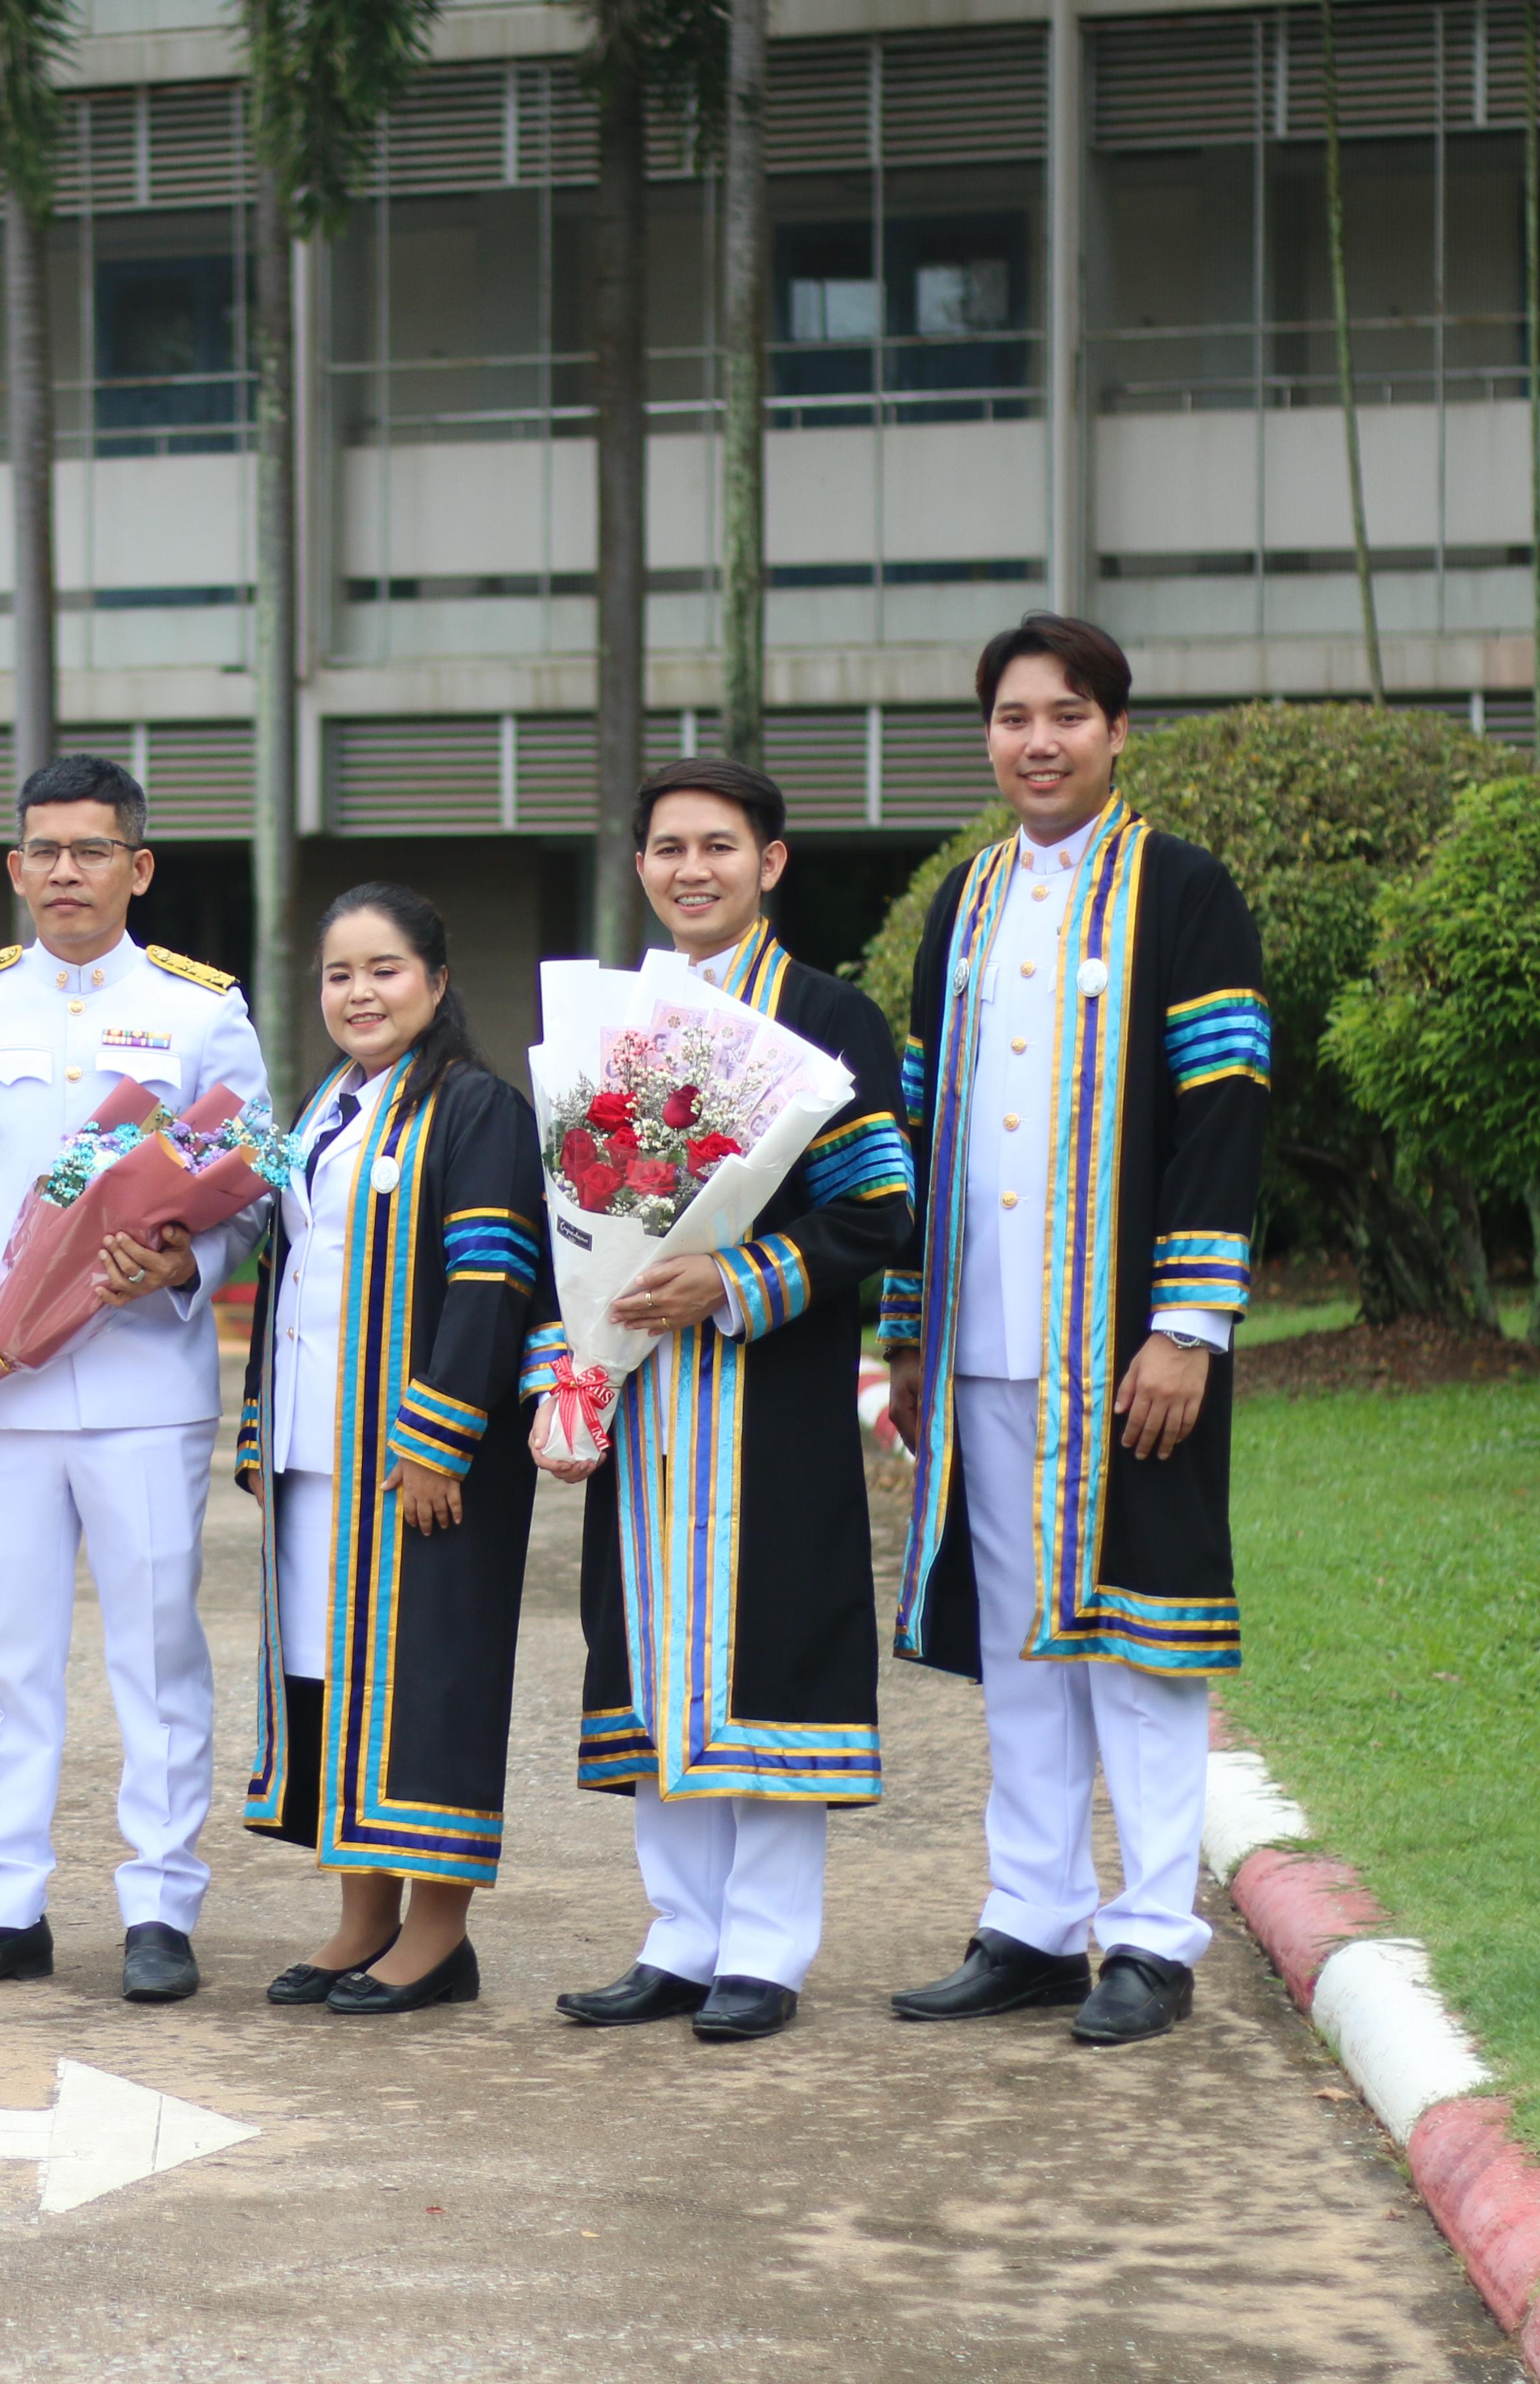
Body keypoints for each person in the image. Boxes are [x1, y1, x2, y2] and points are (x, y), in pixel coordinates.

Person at [881, 614, 1270, 2047]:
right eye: (1011, 718)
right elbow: (921, 1123)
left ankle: (1153, 1940)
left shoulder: (1183, 890)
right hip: (985, 1339)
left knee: (1138, 1645)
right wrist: (913, 1335)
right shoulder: (966, 900)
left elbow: (1227, 1112)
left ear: (1115, 731)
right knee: (1023, 1650)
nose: (1037, 742)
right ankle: (1035, 1921)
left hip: (1125, 1343)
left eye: (1066, 715)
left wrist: (1188, 1324)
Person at [0, 753, 271, 2007]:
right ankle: (4, 1903)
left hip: (144, 1376)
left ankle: (159, 1901)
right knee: (9, 1650)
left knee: (156, 1646)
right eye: (42, 850)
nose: (63, 872)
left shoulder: (202, 1008)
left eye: (90, 849)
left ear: (137, 868)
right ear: (14, 866)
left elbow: (251, 1191)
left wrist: (177, 1265)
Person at [540, 759, 913, 2044]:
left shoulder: (831, 1019)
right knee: (651, 1650)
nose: (691, 869)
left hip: (772, 1390)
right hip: (646, 1398)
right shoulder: (616, 1023)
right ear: (639, 865)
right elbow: (571, 1210)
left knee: (774, 1653)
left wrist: (734, 1274)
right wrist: (573, 1363)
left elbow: (877, 1212)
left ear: (772, 862)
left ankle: (766, 1950)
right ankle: (678, 1935)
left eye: (718, 845)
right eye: (666, 849)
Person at [235, 884, 555, 2013]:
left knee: (430, 1681)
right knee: (333, 1679)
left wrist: (438, 1436)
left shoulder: (478, 1109)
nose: (359, 992)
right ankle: (361, 1914)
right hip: (318, 1454)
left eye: (383, 969)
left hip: (420, 1459)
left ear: (435, 978)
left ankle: (438, 1933)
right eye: (338, 973)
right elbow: (283, 1280)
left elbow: (492, 1279)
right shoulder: (322, 1109)